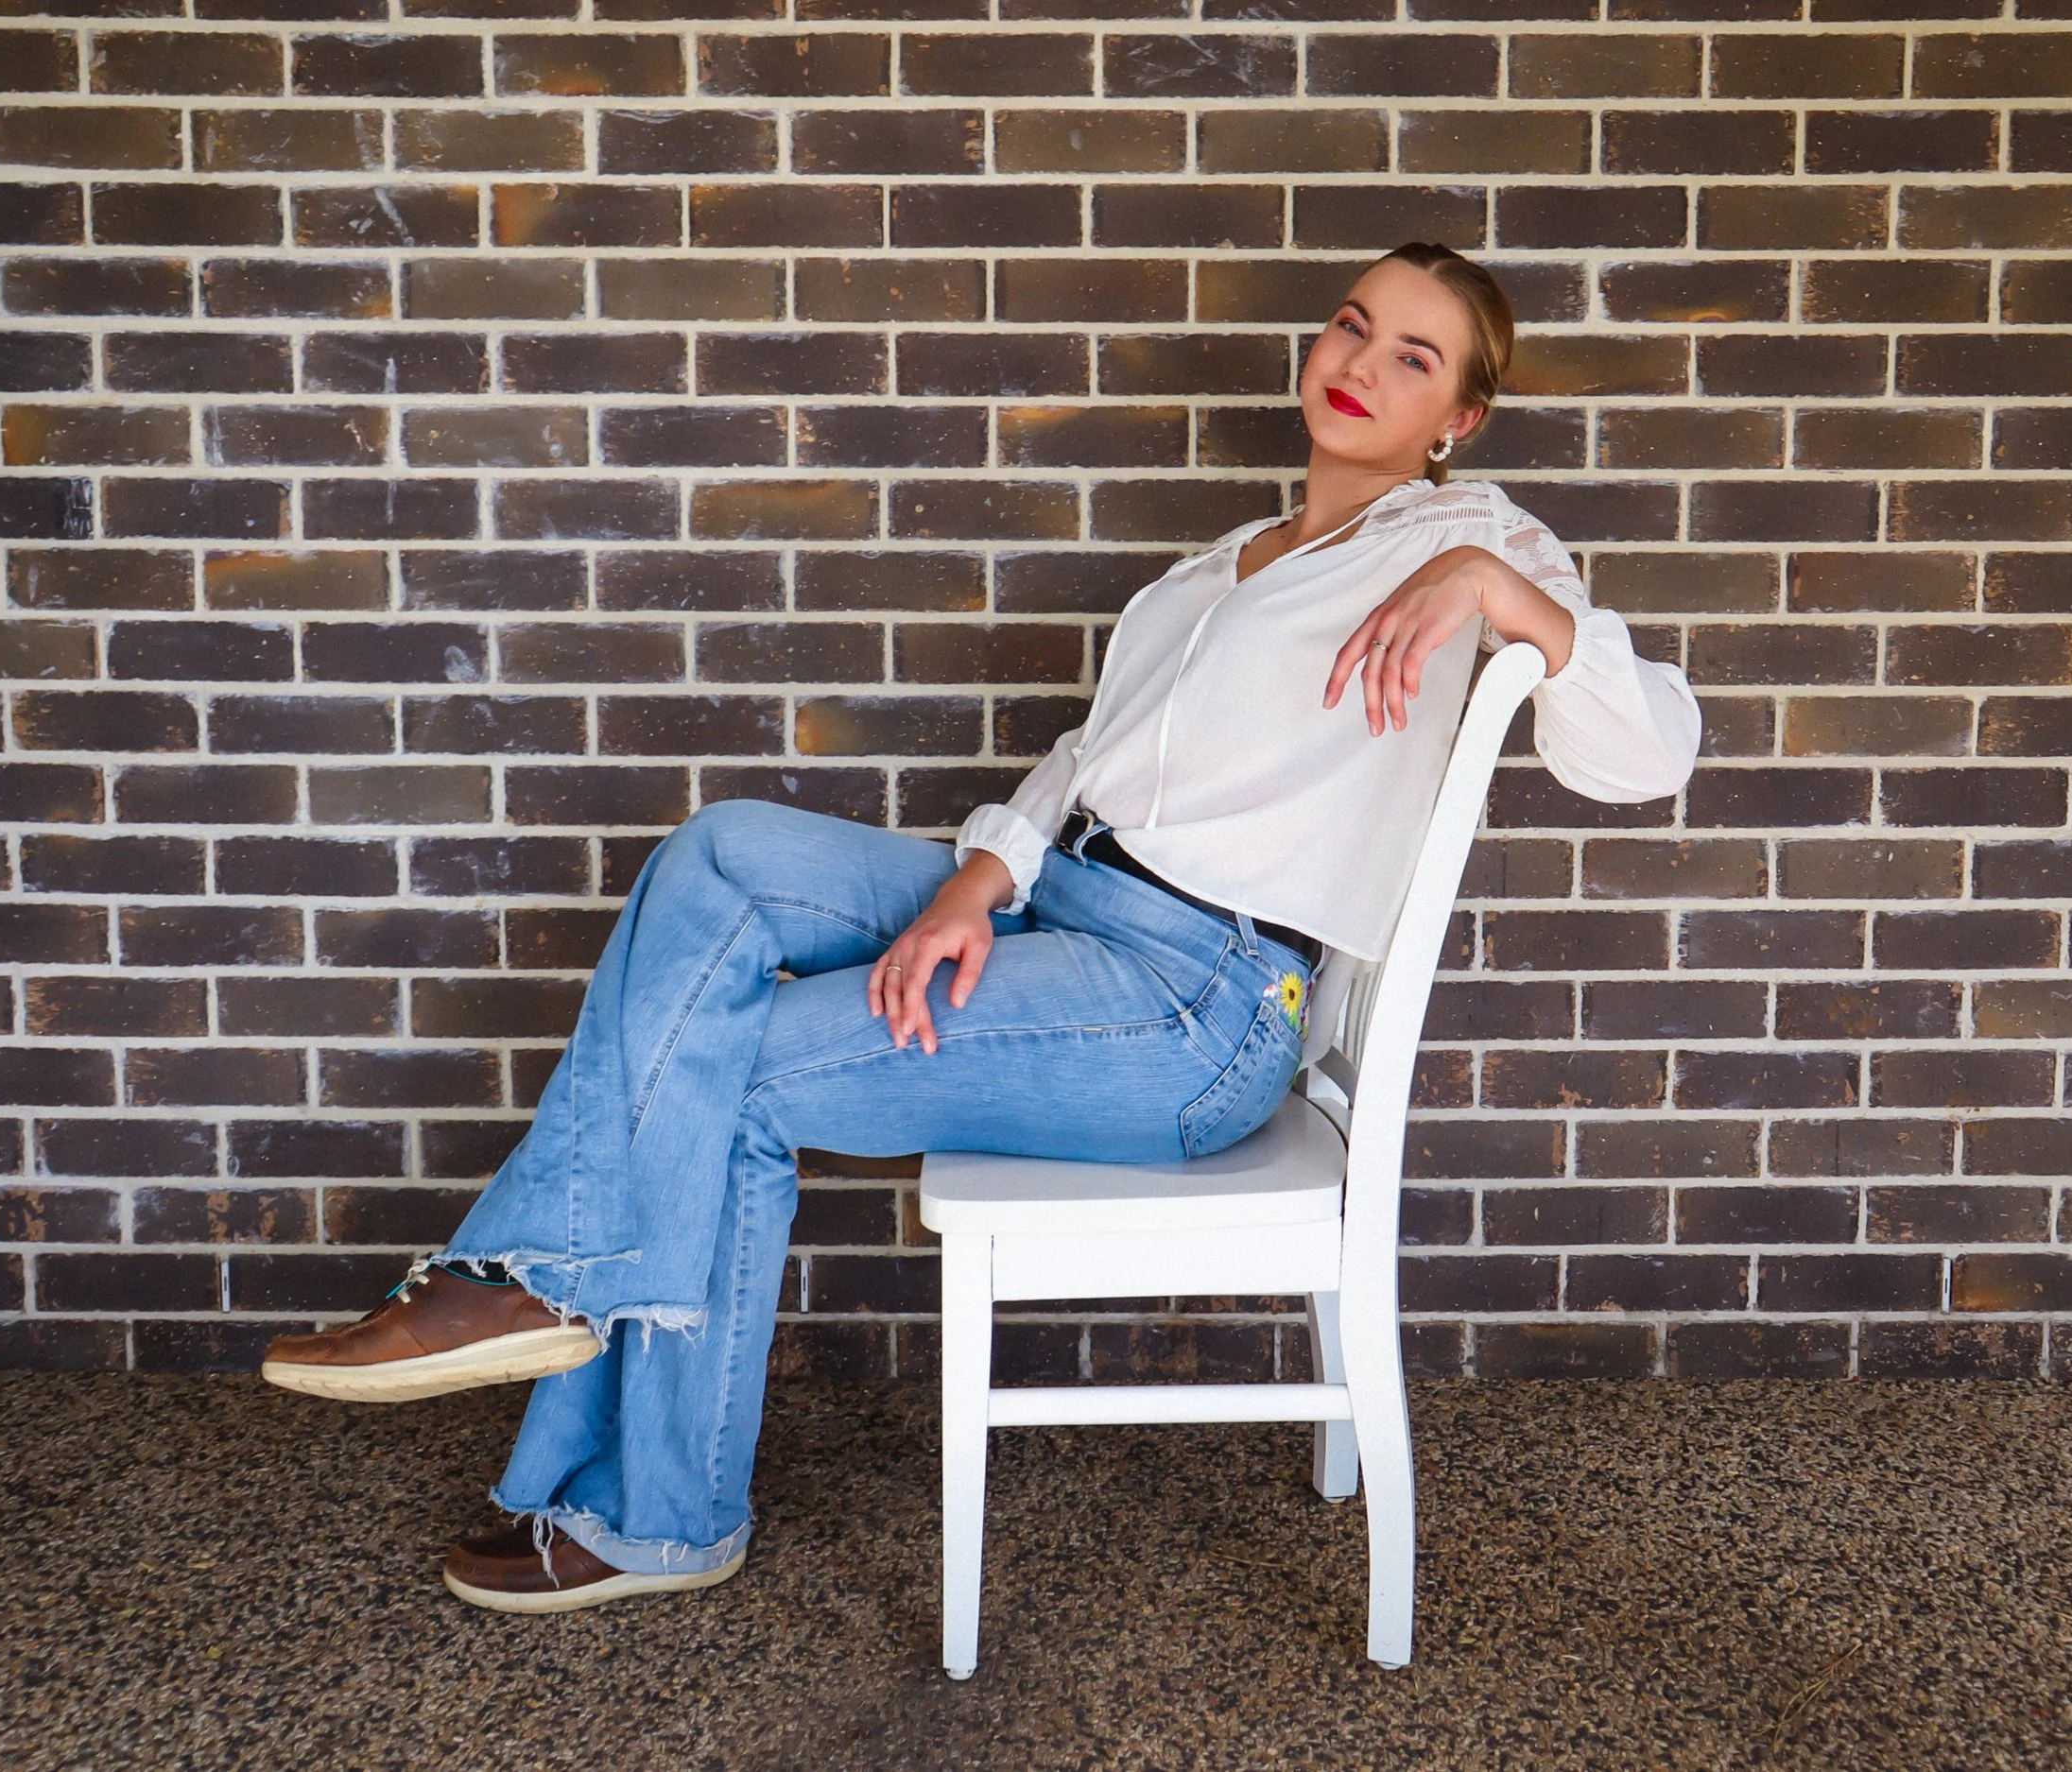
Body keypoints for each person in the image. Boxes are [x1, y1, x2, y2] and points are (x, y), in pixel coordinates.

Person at [259, 242, 1702, 1615]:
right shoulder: (1218, 570)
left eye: (1413, 355)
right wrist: (975, 881)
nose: (1361, 363)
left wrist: (1503, 590)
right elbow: (1085, 764)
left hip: (1192, 1007)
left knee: (733, 1073)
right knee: (720, 855)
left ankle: (633, 1477)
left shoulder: (1467, 537)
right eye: (1349, 325)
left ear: (1463, 413)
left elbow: (1652, 752)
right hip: (1065, 901)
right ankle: (541, 1281)